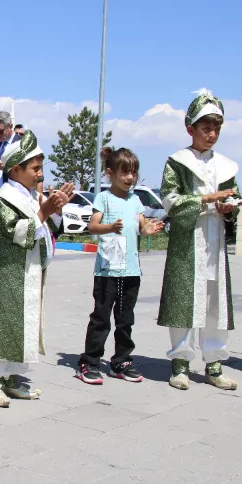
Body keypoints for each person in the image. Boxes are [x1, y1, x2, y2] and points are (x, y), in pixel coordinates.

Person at [0, 131, 73, 407]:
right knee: (2, 324)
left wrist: (56, 209)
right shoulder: (2, 198)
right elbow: (13, 233)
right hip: (9, 271)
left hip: (31, 270)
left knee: (23, 324)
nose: (40, 174)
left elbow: (50, 230)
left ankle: (13, 378)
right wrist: (44, 212)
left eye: (41, 168)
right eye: (35, 169)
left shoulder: (30, 195)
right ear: (16, 169)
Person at [158, 90, 241, 391]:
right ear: (190, 127)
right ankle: (180, 363)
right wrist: (206, 198)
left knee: (214, 301)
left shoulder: (228, 166)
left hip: (215, 240)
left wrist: (229, 208)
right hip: (187, 241)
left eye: (217, 127)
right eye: (206, 127)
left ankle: (215, 363)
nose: (212, 133)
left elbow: (236, 201)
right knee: (183, 299)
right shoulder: (177, 162)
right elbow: (169, 200)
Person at [77, 147, 165, 385]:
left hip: (131, 269)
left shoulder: (135, 200)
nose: (130, 177)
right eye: (125, 172)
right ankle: (90, 362)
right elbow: (93, 226)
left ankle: (122, 361)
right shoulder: (103, 198)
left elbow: (142, 227)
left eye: (133, 172)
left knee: (125, 319)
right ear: (110, 173)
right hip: (108, 269)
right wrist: (109, 228)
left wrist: (150, 230)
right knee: (102, 317)